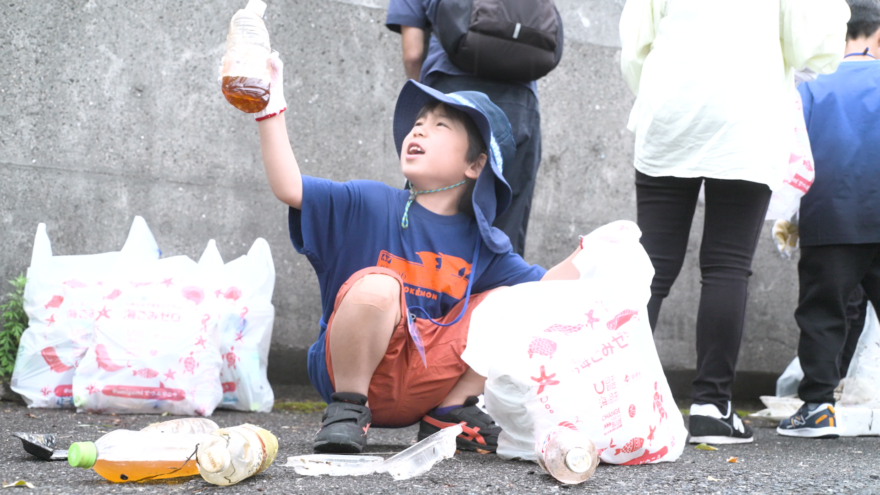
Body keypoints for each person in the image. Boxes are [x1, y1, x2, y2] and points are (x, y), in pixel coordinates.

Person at [246, 53, 583, 453]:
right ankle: (348, 409)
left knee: (508, 301)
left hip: (429, 380)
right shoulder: (368, 202)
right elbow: (290, 187)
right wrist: (271, 109)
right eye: (418, 123)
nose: (419, 131)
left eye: (440, 125)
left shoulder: (483, 243)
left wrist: (596, 252)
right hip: (352, 375)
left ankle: (451, 409)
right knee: (379, 285)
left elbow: (543, 291)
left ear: (476, 164)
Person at [619, 0, 850, 444]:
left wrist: (662, 91)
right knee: (727, 264)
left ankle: (619, 399)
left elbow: (634, 45)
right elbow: (812, 44)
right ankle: (711, 405)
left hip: (669, 110)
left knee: (652, 264)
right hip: (747, 114)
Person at [777, 0, 880, 439]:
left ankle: (817, 407)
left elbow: (791, 153)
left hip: (830, 215)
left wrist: (786, 216)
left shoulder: (811, 84)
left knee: (823, 311)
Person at [385, 0, 543, 257]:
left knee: (429, 218)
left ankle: (425, 292)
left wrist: (426, 108)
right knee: (504, 231)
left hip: (450, 95)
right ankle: (493, 294)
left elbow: (412, 52)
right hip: (518, 105)